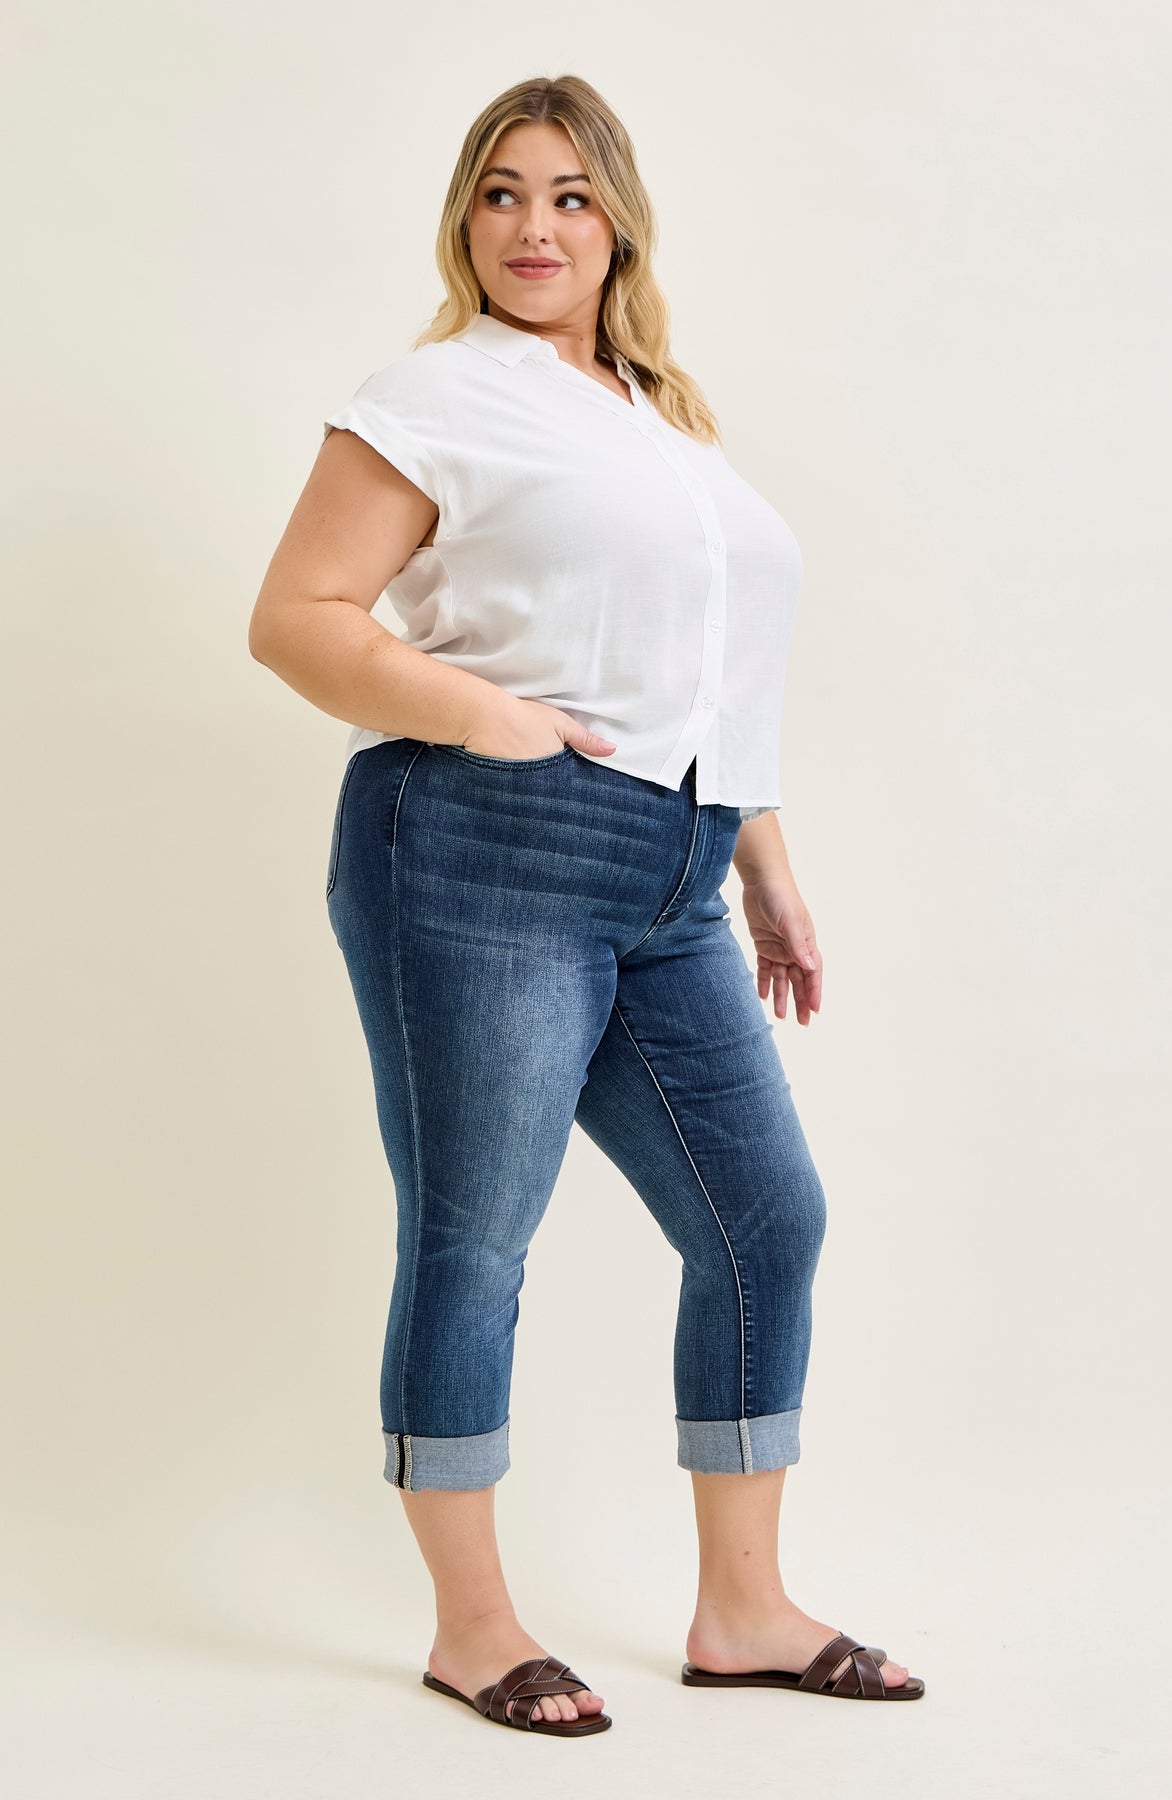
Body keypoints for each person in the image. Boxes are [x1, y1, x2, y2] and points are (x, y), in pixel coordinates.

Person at [248, 73, 923, 1739]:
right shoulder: (431, 394)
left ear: (616, 220)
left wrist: (762, 861)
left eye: (566, 194)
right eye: (499, 192)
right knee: (474, 1235)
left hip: (676, 872)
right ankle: (472, 1629)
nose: (532, 226)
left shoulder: (660, 421)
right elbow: (299, 614)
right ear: (463, 220)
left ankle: (743, 1612)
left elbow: (706, 675)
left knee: (763, 1220)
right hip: (477, 848)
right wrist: (487, 716)